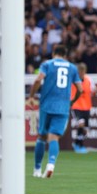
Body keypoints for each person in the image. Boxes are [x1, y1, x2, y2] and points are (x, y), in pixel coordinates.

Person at [28, 45, 82, 178]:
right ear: (65, 55)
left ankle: (37, 169)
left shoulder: (47, 64)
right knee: (54, 138)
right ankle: (51, 164)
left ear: (54, 53)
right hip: (63, 106)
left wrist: (31, 96)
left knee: (42, 137)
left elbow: (38, 79)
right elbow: (80, 89)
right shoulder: (72, 67)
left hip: (47, 105)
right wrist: (72, 101)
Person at [70, 62, 96, 154]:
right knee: (81, 123)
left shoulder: (89, 80)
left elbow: (93, 91)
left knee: (86, 129)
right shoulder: (73, 80)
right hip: (76, 106)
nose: (81, 73)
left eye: (82, 71)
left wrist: (95, 92)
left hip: (86, 106)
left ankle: (78, 143)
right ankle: (78, 145)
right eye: (79, 71)